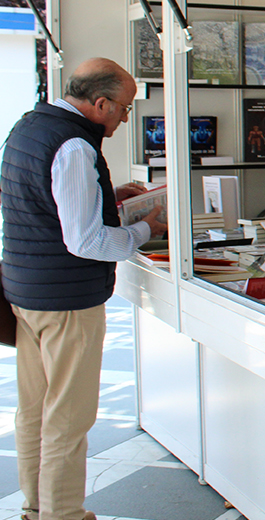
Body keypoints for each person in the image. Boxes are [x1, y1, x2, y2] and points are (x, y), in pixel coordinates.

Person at [1, 57, 169, 520]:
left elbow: (44, 203)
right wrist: (143, 230)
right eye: (125, 108)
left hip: (25, 290)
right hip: (66, 301)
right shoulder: (74, 146)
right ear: (99, 103)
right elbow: (87, 241)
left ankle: (37, 509)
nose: (124, 118)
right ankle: (63, 515)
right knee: (69, 419)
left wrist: (109, 197)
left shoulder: (29, 126)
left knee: (34, 412)